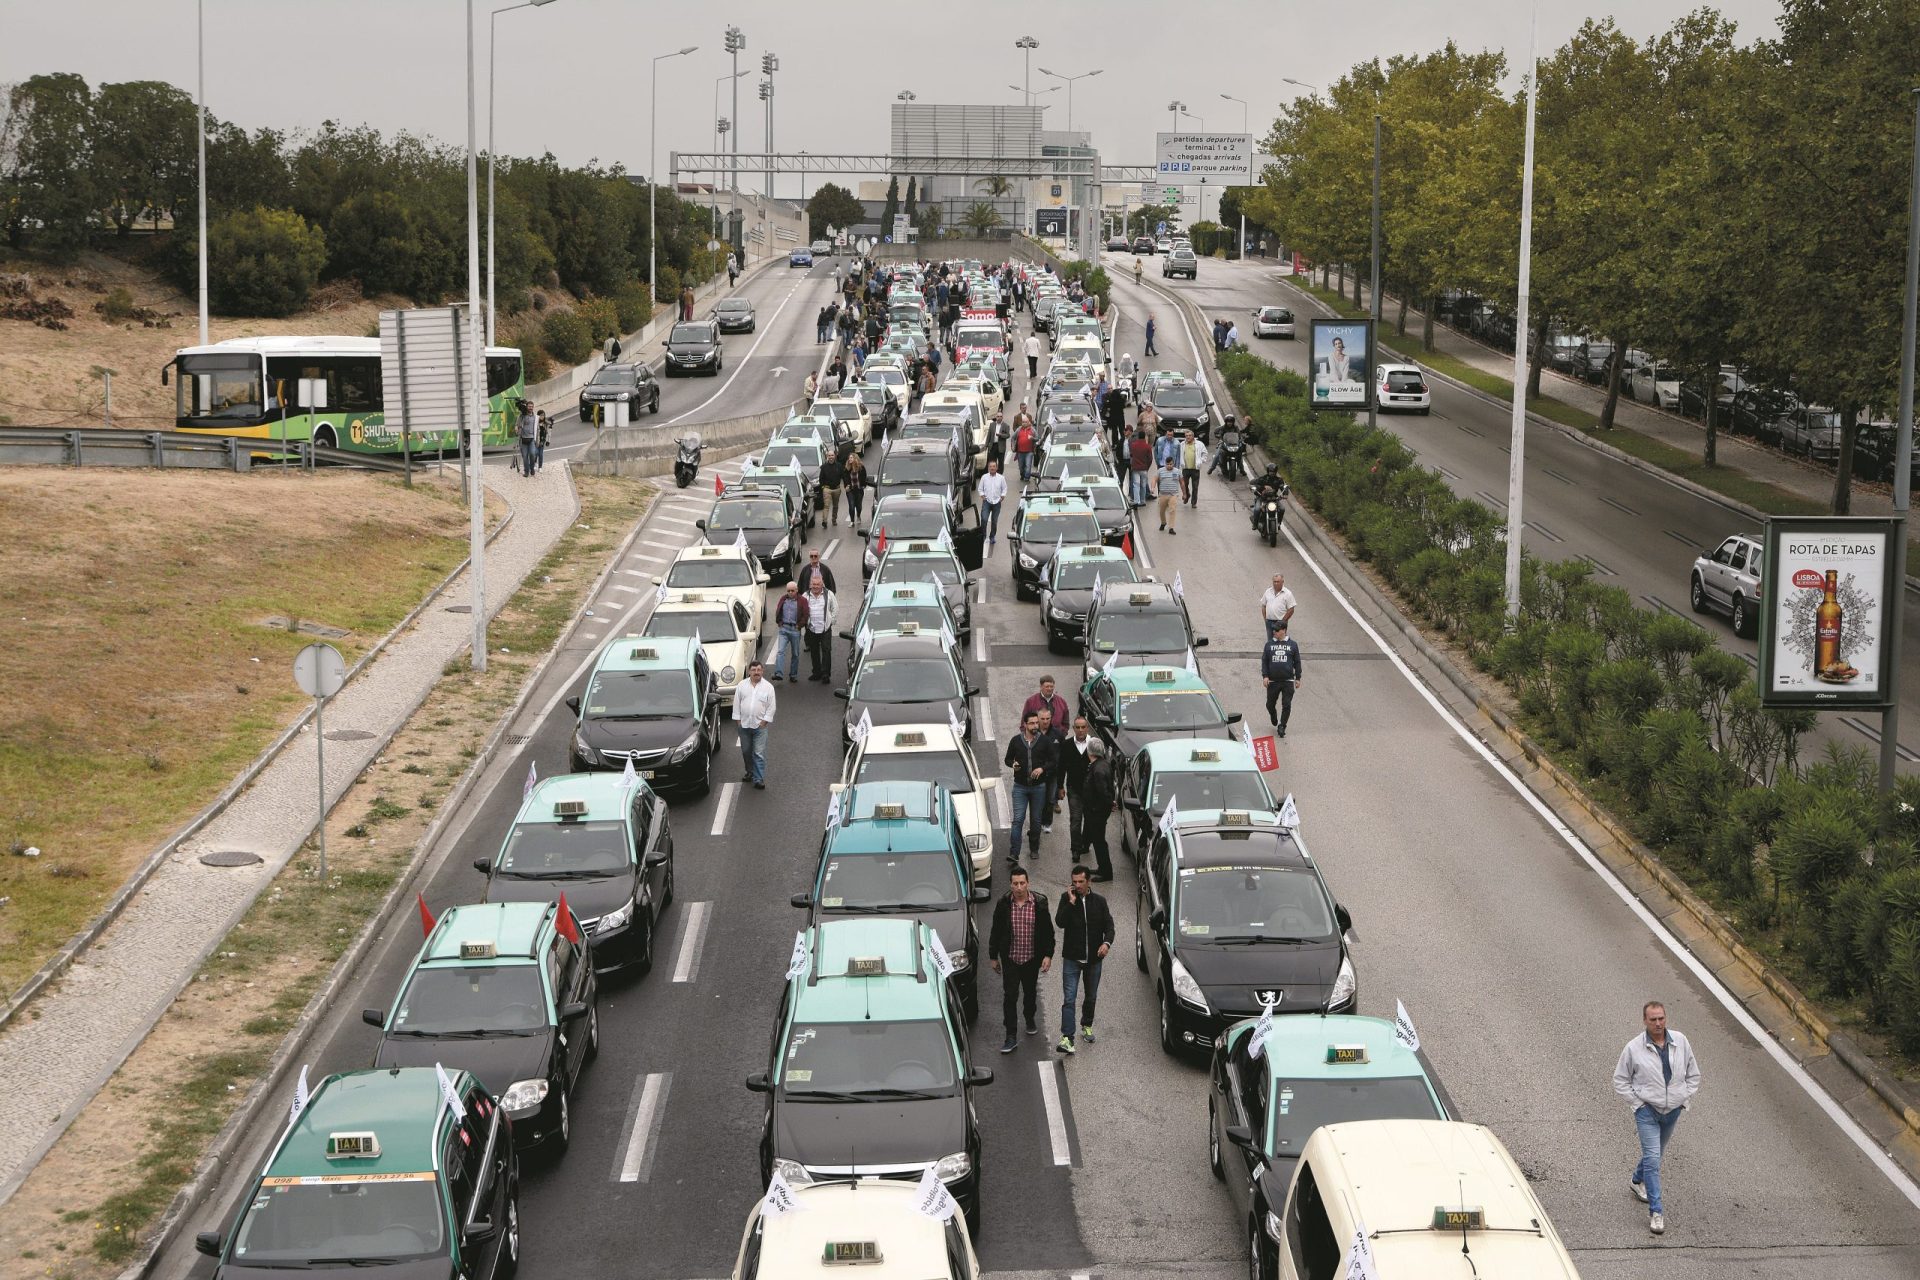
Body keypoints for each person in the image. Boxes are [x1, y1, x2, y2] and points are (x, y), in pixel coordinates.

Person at [1612, 1001, 1701, 1236]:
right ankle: (1656, 1212)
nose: (1658, 1023)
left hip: (1672, 1111)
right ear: (1644, 1021)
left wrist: (1684, 1096)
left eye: (1661, 1018)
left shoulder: (1681, 1041)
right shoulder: (1633, 1048)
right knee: (1653, 1160)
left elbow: (1693, 1073)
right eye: (1653, 1019)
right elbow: (1620, 1079)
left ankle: (1636, 1180)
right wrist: (1637, 1104)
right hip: (1647, 1112)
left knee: (1656, 1154)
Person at [988, 867, 1054, 1053]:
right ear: (1011, 884)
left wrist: (1048, 955)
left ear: (1028, 883)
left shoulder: (1039, 903)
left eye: (1022, 883)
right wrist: (993, 956)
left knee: (1030, 991)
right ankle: (1010, 1036)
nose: (1018, 887)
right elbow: (996, 930)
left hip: (1031, 958)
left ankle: (1029, 1016)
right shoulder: (1003, 904)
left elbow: (1048, 931)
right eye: (1015, 884)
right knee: (1010, 996)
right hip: (1011, 958)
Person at [1053, 865, 1114, 1054]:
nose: (1077, 885)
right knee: (1069, 998)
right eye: (1074, 882)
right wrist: (1071, 903)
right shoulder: (1067, 899)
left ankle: (1087, 1024)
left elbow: (1109, 927)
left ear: (1089, 881)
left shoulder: (1099, 902)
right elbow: (1060, 922)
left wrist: (1106, 944)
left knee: (1091, 996)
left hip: (1094, 960)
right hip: (1072, 958)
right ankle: (1067, 1038)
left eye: (1081, 882)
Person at [1003, 711, 1056, 865]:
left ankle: (1034, 848)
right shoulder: (1015, 741)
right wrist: (1012, 764)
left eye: (1036, 723)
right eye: (1031, 723)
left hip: (1038, 788)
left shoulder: (1045, 741)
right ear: (1025, 725)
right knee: (1018, 820)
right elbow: (1007, 759)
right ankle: (1014, 853)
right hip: (1020, 787)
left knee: (1036, 820)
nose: (1035, 726)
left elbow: (1053, 761)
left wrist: (1042, 769)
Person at [732, 661, 776, 788]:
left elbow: (772, 707)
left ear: (762, 671)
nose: (756, 672)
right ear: (749, 671)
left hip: (760, 727)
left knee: (758, 752)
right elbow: (736, 703)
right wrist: (738, 721)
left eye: (759, 670)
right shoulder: (741, 685)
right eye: (754, 670)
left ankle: (759, 779)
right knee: (746, 751)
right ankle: (750, 772)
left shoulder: (768, 687)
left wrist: (764, 721)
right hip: (744, 726)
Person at [1261, 621, 1304, 737]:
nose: (1274, 632)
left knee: (1287, 704)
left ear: (1284, 630)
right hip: (1273, 681)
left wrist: (1298, 678)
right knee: (1270, 704)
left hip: (1288, 681)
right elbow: (1264, 661)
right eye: (1274, 630)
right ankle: (1273, 715)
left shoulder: (1293, 645)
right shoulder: (1269, 645)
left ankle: (1282, 726)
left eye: (1277, 630)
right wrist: (1265, 676)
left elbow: (1297, 662)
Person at [1082, 745, 1116, 881]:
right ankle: (1102, 867)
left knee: (1099, 841)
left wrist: (1109, 803)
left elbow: (1102, 791)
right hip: (1097, 810)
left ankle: (1106, 872)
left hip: (1097, 811)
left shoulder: (1098, 770)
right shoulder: (1102, 765)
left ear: (1089, 751)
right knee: (1097, 840)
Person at [769, 583, 806, 682]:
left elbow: (806, 615)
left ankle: (793, 675)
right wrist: (779, 622)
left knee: (795, 654)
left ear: (797, 590)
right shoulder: (783, 599)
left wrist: (799, 625)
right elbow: (778, 610)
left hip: (795, 630)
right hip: (784, 629)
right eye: (788, 591)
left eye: (792, 591)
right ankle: (779, 673)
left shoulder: (802, 600)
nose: (790, 593)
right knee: (780, 651)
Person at [803, 578, 837, 682]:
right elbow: (802, 609)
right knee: (814, 651)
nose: (816, 586)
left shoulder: (829, 594)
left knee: (826, 650)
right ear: (810, 585)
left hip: (825, 628)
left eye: (818, 584)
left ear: (822, 585)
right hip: (812, 628)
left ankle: (825, 674)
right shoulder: (806, 595)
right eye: (814, 584)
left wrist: (831, 621)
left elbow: (834, 608)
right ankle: (816, 673)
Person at [1250, 464, 1288, 533]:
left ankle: (1278, 523)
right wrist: (1263, 487)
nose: (1272, 473)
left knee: (1282, 509)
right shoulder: (1262, 478)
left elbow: (1283, 487)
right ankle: (1255, 524)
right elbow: (1256, 486)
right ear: (1268, 471)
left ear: (1276, 472)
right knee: (1257, 509)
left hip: (1274, 498)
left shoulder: (1279, 480)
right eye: (1270, 471)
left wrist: (1285, 494)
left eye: (1273, 471)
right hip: (1262, 497)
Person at [979, 459, 1008, 549]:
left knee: (994, 521)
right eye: (990, 466)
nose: (992, 468)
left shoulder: (1001, 478)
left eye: (994, 466)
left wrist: (1002, 496)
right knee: (984, 519)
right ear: (988, 468)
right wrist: (983, 496)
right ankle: (983, 535)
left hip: (996, 502)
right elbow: (980, 489)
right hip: (987, 501)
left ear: (996, 468)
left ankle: (992, 536)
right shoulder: (984, 477)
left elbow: (1004, 488)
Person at [1260, 571, 1297, 638]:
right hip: (1269, 622)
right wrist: (1266, 619)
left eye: (1278, 582)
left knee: (1280, 641)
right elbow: (1263, 606)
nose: (1276, 583)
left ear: (1282, 582)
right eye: (1274, 582)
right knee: (1270, 641)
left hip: (1280, 622)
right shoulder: (1268, 592)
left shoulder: (1287, 594)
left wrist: (1283, 621)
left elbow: (1291, 609)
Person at [1127, 425, 1154, 508]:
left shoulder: (1133, 445)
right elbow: (1150, 458)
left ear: (1138, 436)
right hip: (1144, 468)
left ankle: (1136, 501)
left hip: (1135, 468)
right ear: (1144, 437)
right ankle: (1143, 501)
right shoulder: (1147, 446)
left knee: (1136, 484)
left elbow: (1131, 455)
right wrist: (1147, 466)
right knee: (1143, 484)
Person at [1179, 429, 1208, 506]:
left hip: (1195, 469)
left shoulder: (1199, 444)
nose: (1188, 437)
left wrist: (1201, 461)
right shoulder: (1182, 444)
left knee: (1195, 487)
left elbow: (1205, 453)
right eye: (1186, 436)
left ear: (1193, 436)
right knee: (1184, 485)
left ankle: (1194, 503)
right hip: (1185, 468)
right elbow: (1179, 455)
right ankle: (1187, 495)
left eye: (1189, 435)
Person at [817, 452, 846, 527]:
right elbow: (821, 479)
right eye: (829, 455)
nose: (831, 457)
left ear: (835, 456)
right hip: (827, 489)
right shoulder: (823, 467)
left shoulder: (839, 466)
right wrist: (823, 487)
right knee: (826, 505)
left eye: (832, 455)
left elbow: (843, 476)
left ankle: (834, 520)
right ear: (827, 456)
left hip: (837, 489)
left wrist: (846, 485)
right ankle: (825, 521)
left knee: (835, 505)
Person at [1155, 455, 1182, 534]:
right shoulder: (1160, 471)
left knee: (1172, 510)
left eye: (1171, 464)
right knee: (1162, 511)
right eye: (1168, 464)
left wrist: (1184, 493)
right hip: (1163, 494)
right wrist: (1152, 488)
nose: (1169, 466)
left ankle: (1171, 527)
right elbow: (1155, 479)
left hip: (1173, 494)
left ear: (1173, 464)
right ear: (1165, 464)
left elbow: (1182, 482)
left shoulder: (1177, 471)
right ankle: (1163, 523)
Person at [843, 454, 868, 525]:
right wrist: (846, 486)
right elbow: (845, 478)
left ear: (855, 458)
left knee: (859, 506)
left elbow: (864, 477)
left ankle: (858, 516)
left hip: (859, 490)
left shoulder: (861, 468)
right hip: (850, 490)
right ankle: (852, 521)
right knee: (851, 505)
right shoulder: (846, 468)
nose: (849, 459)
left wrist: (864, 485)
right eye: (849, 458)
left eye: (851, 457)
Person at [516, 401, 538, 477]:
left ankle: (532, 468)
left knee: (532, 454)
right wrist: (517, 429)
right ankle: (526, 471)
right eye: (529, 406)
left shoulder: (535, 417)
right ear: (526, 407)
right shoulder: (522, 416)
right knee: (525, 457)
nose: (530, 408)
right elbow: (517, 425)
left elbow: (537, 429)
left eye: (532, 406)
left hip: (531, 439)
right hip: (523, 439)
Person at [1013, 414, 1038, 483]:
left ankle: (1027, 477)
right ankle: (1022, 475)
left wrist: (1032, 438)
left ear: (1028, 422)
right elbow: (1013, 437)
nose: (1024, 423)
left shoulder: (1032, 430)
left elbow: (1037, 438)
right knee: (1021, 466)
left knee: (1028, 465)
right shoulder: (1019, 429)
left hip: (1029, 452)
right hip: (1020, 452)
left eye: (1025, 422)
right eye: (1023, 422)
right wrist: (1013, 446)